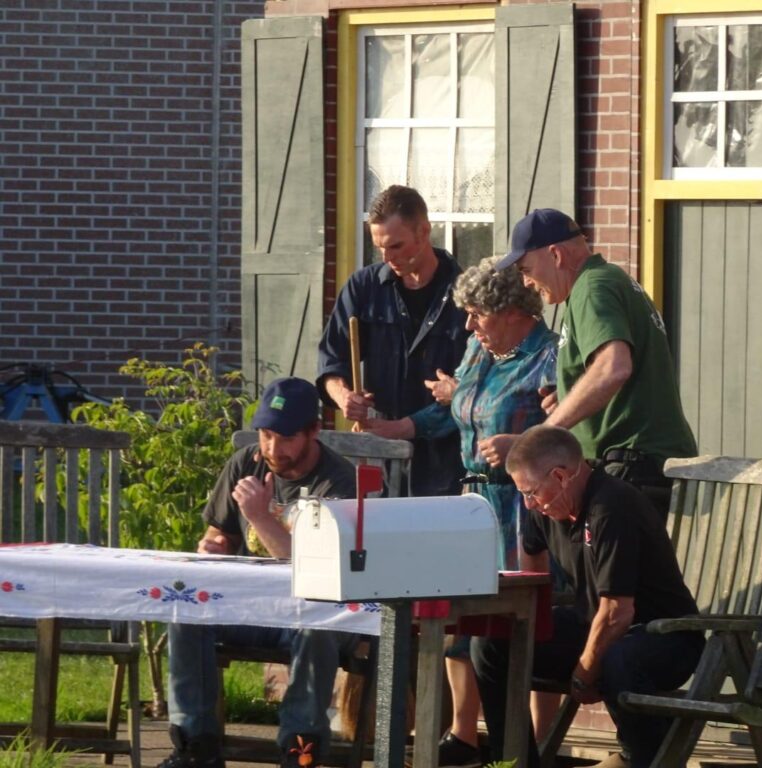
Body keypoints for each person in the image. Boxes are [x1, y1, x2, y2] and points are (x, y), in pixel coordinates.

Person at [365, 257, 558, 766]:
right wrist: (404, 427)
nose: (469, 326)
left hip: (522, 505)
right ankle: (464, 735)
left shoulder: (549, 358)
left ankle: (537, 744)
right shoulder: (479, 350)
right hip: (473, 504)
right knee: (464, 617)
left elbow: (568, 432)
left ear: (513, 311)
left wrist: (521, 443)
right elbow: (455, 410)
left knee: (528, 619)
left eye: (478, 314)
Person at [471, 425, 704, 768]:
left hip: (665, 636)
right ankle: (514, 763)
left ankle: (647, 760)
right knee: (492, 641)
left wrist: (583, 672)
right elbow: (533, 574)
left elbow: (617, 612)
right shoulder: (543, 507)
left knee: (615, 659)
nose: (528, 503)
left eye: (531, 493)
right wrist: (527, 621)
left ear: (560, 476)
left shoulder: (612, 506)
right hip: (597, 626)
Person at [159, 378, 358, 768]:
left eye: (285, 438)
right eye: (266, 435)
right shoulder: (245, 462)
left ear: (314, 431)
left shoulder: (338, 481)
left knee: (315, 627)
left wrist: (261, 518)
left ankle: (300, 751)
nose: (272, 449)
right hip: (253, 607)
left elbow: (318, 571)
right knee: (185, 612)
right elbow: (218, 533)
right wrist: (213, 546)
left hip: (319, 612)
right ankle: (195, 747)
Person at [495, 209, 698, 516]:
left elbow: (613, 367)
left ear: (555, 255)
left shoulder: (591, 288)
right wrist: (569, 396)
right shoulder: (606, 280)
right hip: (641, 467)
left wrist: (543, 435)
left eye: (526, 269)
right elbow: (619, 373)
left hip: (634, 469)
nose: (526, 283)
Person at [316, 184, 469, 496]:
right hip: (378, 458)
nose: (387, 258)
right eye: (379, 248)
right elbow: (331, 360)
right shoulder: (363, 287)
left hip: (448, 462)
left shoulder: (465, 294)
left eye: (396, 246)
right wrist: (344, 396)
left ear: (424, 231)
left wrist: (408, 427)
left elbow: (478, 390)